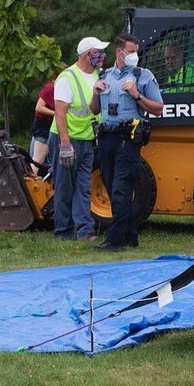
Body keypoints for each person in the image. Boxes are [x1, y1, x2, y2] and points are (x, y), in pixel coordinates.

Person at [90, 33, 164, 251]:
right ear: (119, 52)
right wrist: (95, 94)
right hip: (106, 137)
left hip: (129, 138)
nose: (135, 55)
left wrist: (136, 95)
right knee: (112, 186)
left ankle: (115, 240)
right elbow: (95, 110)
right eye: (131, 52)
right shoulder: (105, 76)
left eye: (136, 51)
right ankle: (130, 235)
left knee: (122, 189)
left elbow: (159, 109)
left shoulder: (142, 76)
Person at [51, 37, 109, 241]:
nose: (102, 56)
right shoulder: (67, 77)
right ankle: (63, 232)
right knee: (65, 187)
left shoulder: (97, 76)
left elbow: (94, 109)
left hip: (86, 139)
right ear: (88, 55)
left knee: (84, 187)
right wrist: (65, 144)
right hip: (66, 139)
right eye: (99, 52)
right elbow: (60, 112)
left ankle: (85, 231)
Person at [29, 79, 55, 174]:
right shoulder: (51, 88)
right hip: (43, 129)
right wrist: (57, 113)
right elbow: (39, 107)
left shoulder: (56, 88)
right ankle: (27, 186)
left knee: (41, 162)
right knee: (37, 162)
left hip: (45, 128)